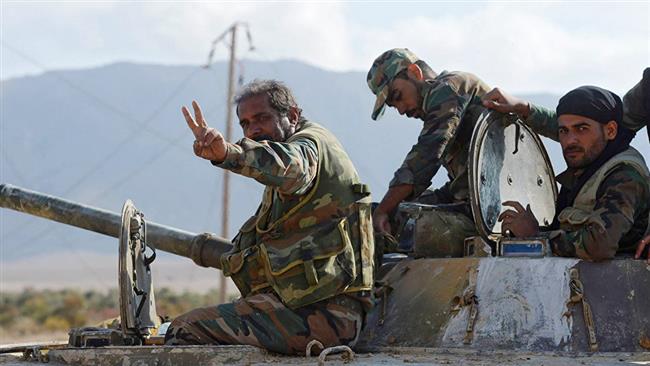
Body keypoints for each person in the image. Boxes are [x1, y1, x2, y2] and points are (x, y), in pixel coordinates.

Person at [165, 80, 375, 354]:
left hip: (327, 317)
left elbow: (293, 167)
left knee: (185, 329)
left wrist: (230, 152)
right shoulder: (285, 169)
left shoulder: (309, 145)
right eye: (245, 124)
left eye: (262, 118)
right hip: (305, 309)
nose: (253, 129)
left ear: (293, 116)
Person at [482, 85, 650, 262]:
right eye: (563, 131)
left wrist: (536, 235)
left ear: (610, 131)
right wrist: (525, 109)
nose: (570, 141)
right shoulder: (591, 164)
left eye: (582, 129)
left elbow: (599, 245)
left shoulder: (624, 176)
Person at [366, 48, 491, 257]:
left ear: (415, 72)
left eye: (398, 96)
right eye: (393, 105)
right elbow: (461, 185)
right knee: (379, 217)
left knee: (421, 227)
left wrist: (384, 210)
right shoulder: (441, 100)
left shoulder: (449, 88)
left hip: (494, 213)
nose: (401, 110)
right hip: (471, 204)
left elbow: (425, 159)